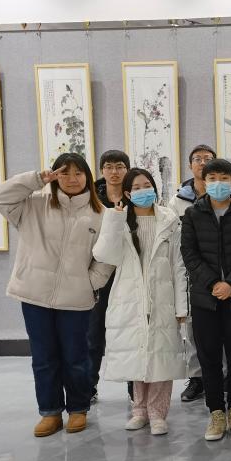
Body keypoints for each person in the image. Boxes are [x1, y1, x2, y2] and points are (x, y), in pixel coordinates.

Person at [0, 153, 113, 437]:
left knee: (76, 356)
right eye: (64, 173)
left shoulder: (101, 214)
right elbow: (0, 196)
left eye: (78, 173)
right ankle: (50, 412)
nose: (72, 179)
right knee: (43, 357)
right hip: (34, 295)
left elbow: (107, 256)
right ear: (55, 176)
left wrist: (90, 283)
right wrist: (37, 179)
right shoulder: (34, 205)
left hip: (76, 298)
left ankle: (79, 408)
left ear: (87, 177)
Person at [92, 168, 189, 436]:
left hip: (163, 297)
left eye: (147, 185)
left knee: (161, 356)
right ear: (127, 193)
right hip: (130, 297)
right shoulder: (118, 220)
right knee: (139, 355)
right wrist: (114, 219)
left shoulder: (169, 220)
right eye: (136, 187)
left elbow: (178, 265)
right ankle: (139, 411)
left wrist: (181, 306)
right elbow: (105, 255)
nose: (143, 191)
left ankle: (158, 414)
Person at [181, 158, 231, 441]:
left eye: (224, 178)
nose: (218, 183)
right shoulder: (193, 213)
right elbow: (189, 254)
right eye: (212, 178)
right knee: (209, 358)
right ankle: (216, 413)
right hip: (205, 299)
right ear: (204, 183)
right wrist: (213, 283)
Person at [166, 144, 217, 403]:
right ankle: (197, 378)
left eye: (208, 158)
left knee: (223, 326)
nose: (203, 162)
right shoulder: (178, 201)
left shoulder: (224, 194)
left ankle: (222, 376)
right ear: (190, 165)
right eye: (198, 159)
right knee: (194, 329)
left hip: (220, 270)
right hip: (189, 270)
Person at [88, 150, 129, 402]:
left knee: (130, 332)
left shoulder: (135, 195)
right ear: (102, 170)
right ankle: (89, 387)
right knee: (93, 334)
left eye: (120, 166)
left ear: (127, 169)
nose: (114, 172)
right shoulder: (91, 198)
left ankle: (135, 391)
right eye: (109, 166)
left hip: (128, 272)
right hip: (99, 273)